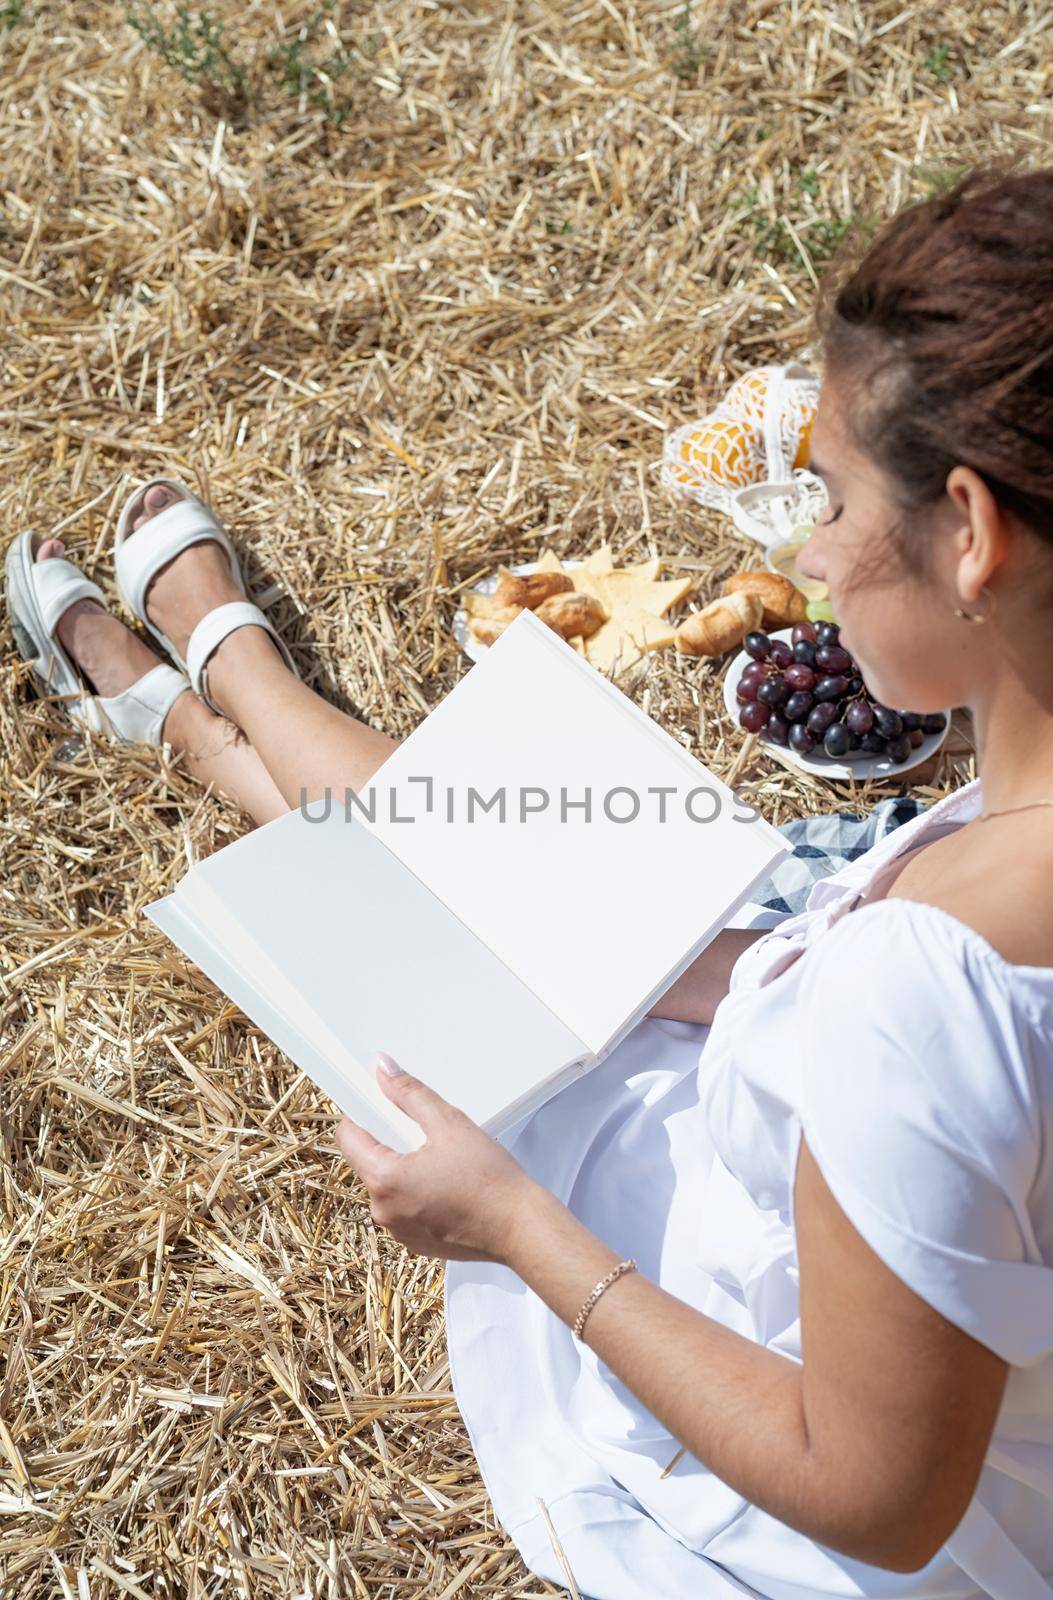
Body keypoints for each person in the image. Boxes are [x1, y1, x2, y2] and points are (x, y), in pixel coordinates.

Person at [7, 159, 1053, 1600]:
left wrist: (506, 1225)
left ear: (971, 533)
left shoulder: (915, 998)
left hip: (793, 1428)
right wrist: (721, 965)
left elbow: (873, 1496)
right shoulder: (998, 854)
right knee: (504, 849)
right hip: (867, 1179)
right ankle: (211, 700)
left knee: (457, 881)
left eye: (826, 499)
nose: (807, 563)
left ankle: (208, 693)